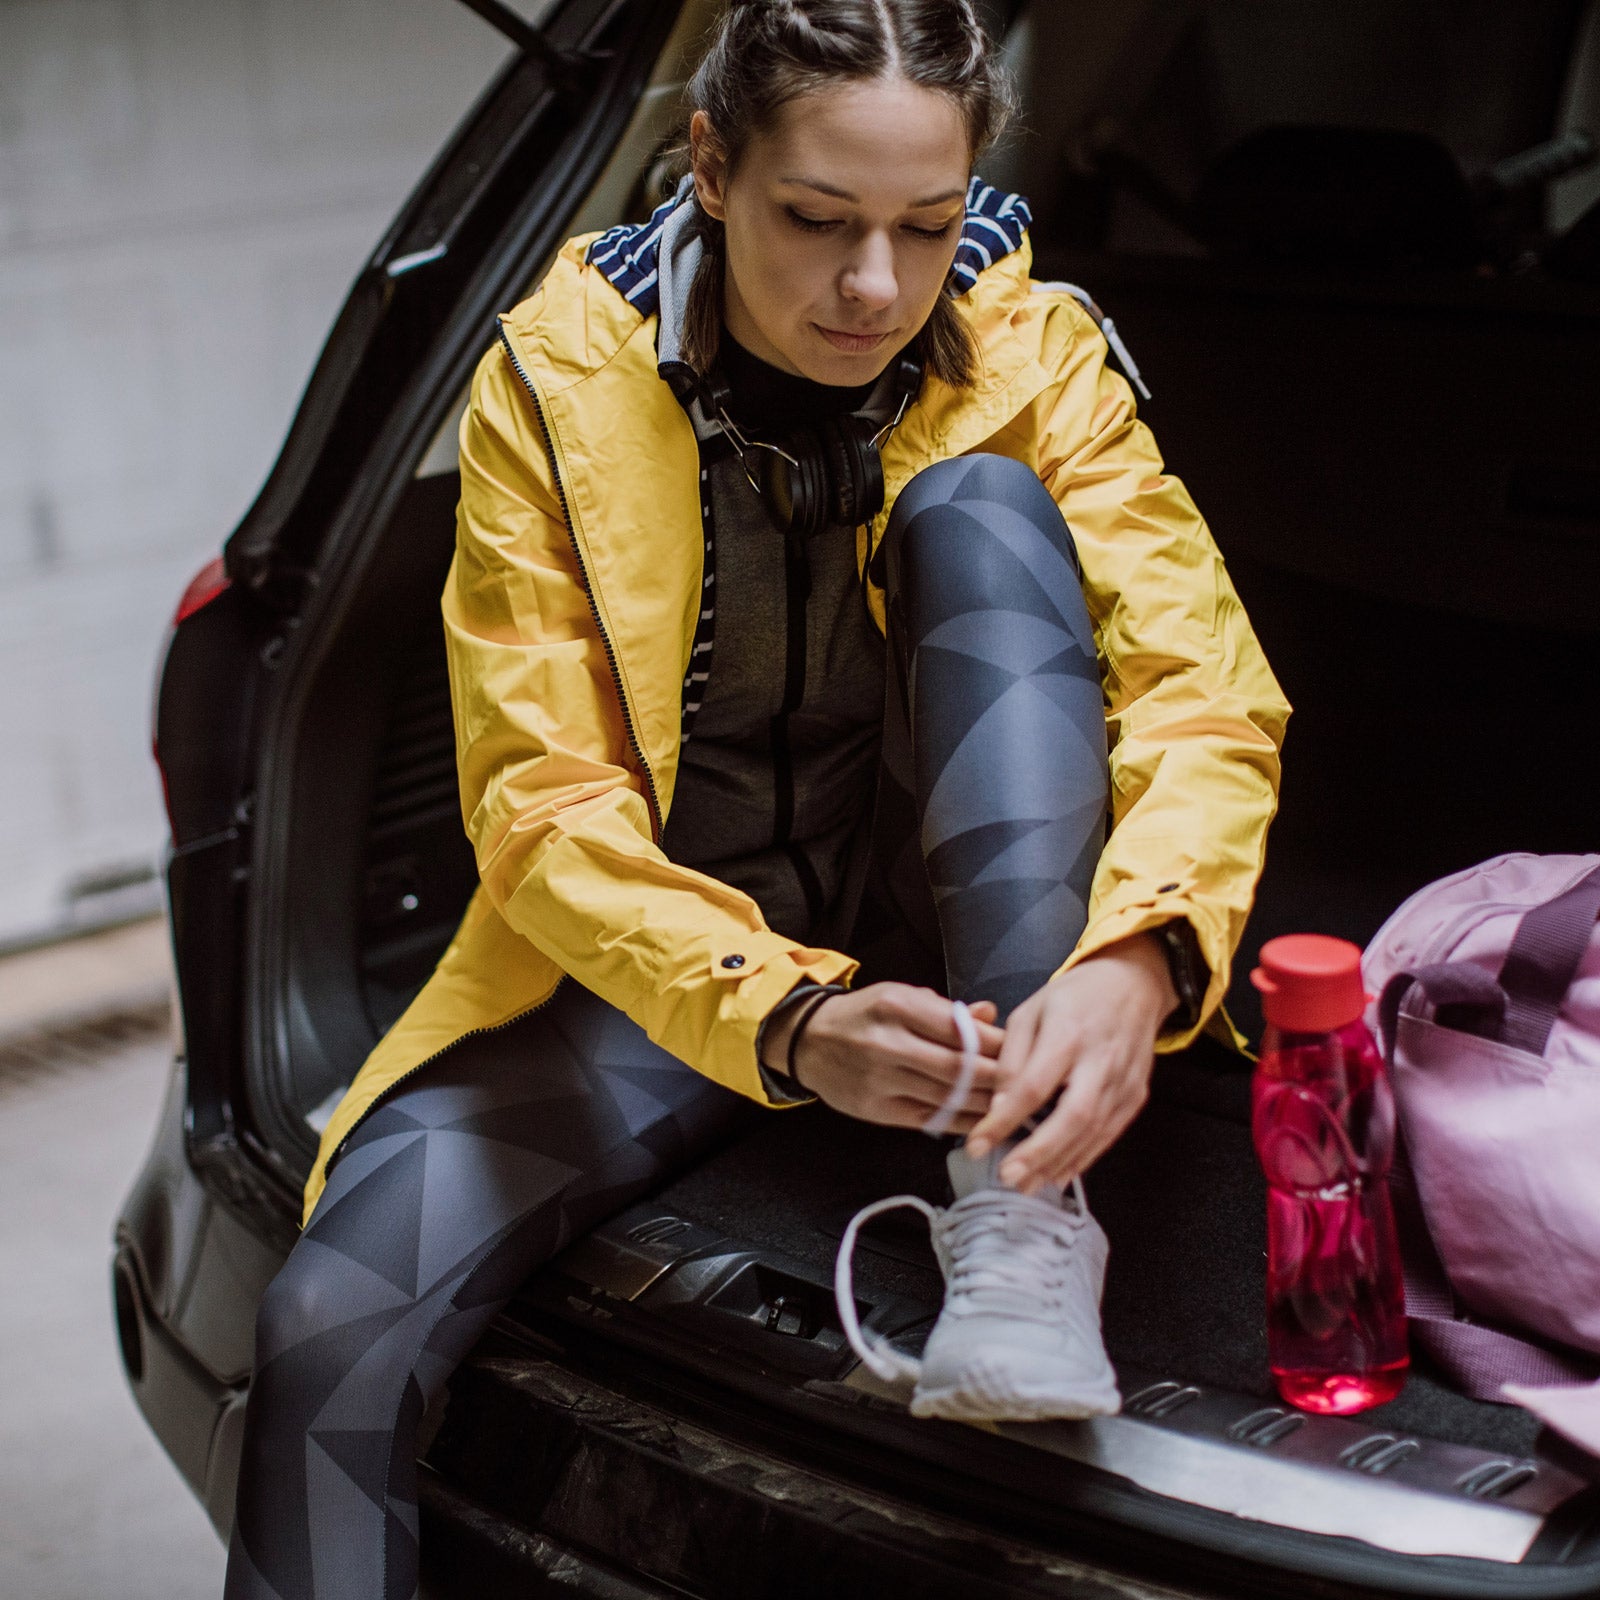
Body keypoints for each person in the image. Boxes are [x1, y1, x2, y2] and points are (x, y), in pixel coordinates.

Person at [223, 2, 1289, 1595]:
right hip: (673, 980)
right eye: (817, 219)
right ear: (712, 166)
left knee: (985, 513)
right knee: (325, 1329)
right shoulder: (557, 378)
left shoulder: (1031, 349)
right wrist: (787, 1020)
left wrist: (1139, 960)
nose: (875, 286)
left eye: (927, 226)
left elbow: (1206, 691)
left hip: (971, 957)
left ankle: (1023, 1216)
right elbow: (544, 809)